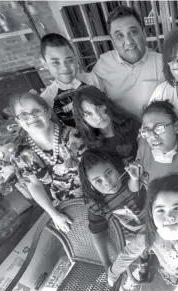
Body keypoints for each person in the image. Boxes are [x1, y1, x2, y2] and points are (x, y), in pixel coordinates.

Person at [107, 174, 178, 291]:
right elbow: (128, 254)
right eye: (160, 210)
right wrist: (113, 273)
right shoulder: (149, 234)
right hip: (172, 272)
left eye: (177, 208)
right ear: (151, 213)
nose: (169, 217)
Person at [9, 92, 85, 232]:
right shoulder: (22, 153)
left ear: (49, 113)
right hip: (65, 205)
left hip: (93, 194)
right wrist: (54, 214)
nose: (31, 117)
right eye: (23, 114)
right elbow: (34, 186)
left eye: (37, 111)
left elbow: (92, 170)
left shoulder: (73, 136)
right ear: (18, 121)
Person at [78, 148, 149, 281]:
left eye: (109, 172)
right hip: (131, 240)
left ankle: (145, 257)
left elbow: (138, 187)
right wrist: (106, 264)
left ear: (117, 168)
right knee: (140, 250)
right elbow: (97, 232)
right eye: (97, 181)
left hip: (153, 228)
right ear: (91, 186)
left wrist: (136, 177)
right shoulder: (96, 204)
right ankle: (144, 258)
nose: (107, 181)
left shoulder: (132, 176)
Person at [90, 5, 164, 119]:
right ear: (112, 41)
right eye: (120, 35)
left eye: (133, 32)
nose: (129, 42)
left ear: (143, 33)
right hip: (121, 133)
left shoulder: (162, 63)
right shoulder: (103, 65)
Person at [40, 33, 103, 127]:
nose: (64, 67)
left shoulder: (92, 79)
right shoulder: (46, 99)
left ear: (76, 58)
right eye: (56, 62)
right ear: (44, 63)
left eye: (69, 60)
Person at [136, 100, 178, 184]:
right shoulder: (143, 147)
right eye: (146, 131)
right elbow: (134, 188)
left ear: (176, 127)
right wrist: (134, 178)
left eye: (159, 128)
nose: (152, 136)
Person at [72, 86, 141, 164]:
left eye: (99, 107)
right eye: (89, 114)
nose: (98, 117)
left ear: (107, 103)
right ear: (83, 120)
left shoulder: (132, 124)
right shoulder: (90, 145)